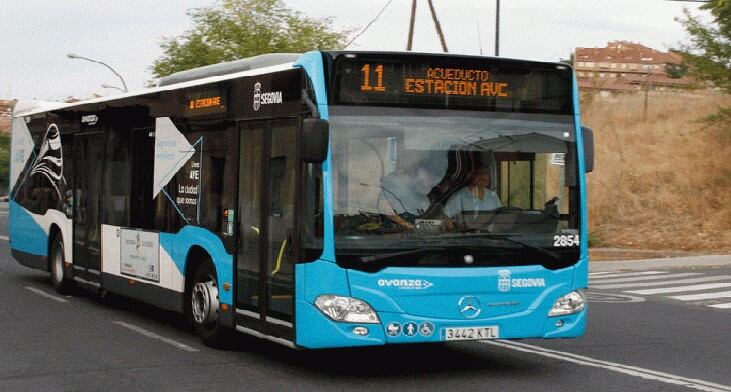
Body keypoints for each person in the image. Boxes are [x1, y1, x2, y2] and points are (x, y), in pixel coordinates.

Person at [442, 165, 501, 229]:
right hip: (467, 238)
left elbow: (500, 219)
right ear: (469, 175)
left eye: (486, 173)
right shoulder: (458, 197)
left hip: (492, 237)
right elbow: (444, 217)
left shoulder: (493, 196)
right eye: (479, 173)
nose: (483, 177)